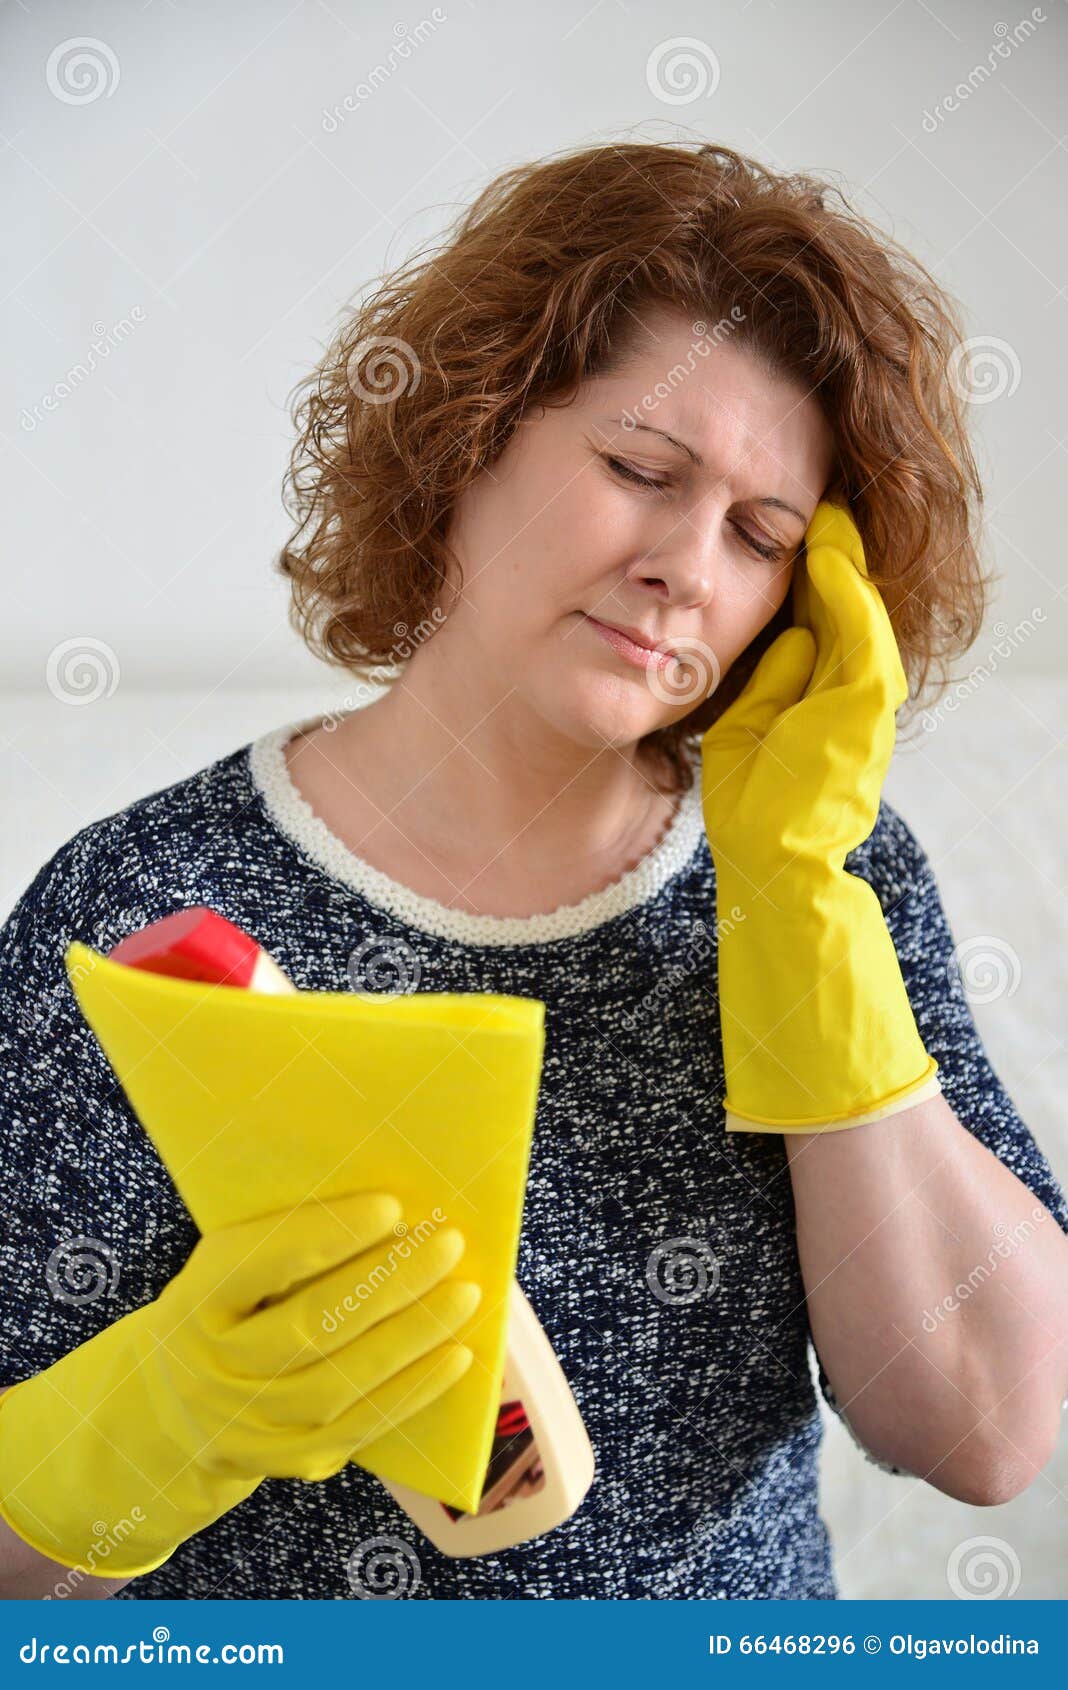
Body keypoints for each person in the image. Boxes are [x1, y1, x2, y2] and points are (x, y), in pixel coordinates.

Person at [1, 140, 1066, 1601]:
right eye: (639, 468)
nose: (688, 565)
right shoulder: (141, 900)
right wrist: (164, 1416)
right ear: (467, 433)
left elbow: (988, 1427)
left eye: (762, 538)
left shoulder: (830, 874)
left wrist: (795, 906)